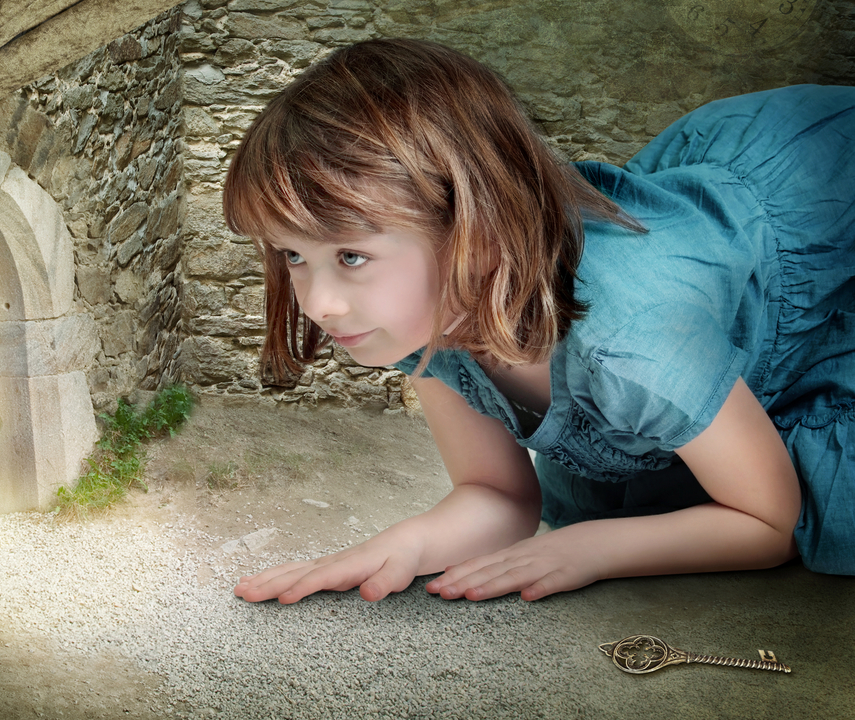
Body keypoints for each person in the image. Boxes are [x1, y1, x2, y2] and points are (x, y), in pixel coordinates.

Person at [222, 38, 855, 605]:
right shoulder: (423, 317)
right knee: (593, 499)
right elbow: (500, 493)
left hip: (816, 205)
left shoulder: (633, 341)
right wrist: (404, 544)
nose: (317, 303)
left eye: (351, 256)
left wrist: (589, 552)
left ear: (476, 232)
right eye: (294, 256)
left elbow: (767, 521)